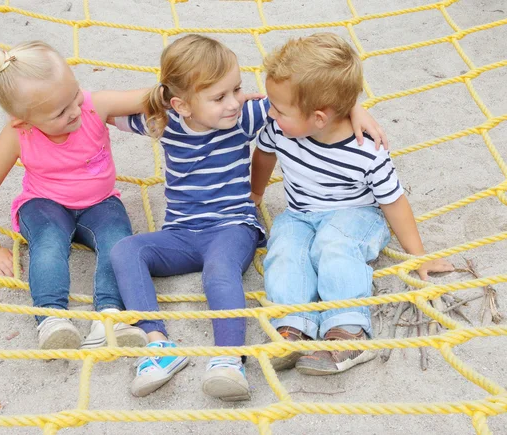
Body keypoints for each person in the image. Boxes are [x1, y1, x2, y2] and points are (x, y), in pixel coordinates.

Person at [109, 34, 388, 400]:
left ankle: (229, 359)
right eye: (219, 96)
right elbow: (100, 110)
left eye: (237, 89)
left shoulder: (243, 116)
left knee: (218, 271)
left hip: (232, 227)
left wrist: (354, 109)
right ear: (182, 105)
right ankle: (157, 346)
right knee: (125, 251)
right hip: (180, 233)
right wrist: (161, 95)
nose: (235, 101)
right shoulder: (164, 121)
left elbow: (310, 102)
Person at [250, 33, 454, 375]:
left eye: (279, 108)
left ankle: (348, 330)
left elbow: (394, 201)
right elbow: (264, 155)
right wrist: (256, 193)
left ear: (318, 117)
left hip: (357, 215)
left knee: (333, 246)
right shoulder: (280, 126)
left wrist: (419, 255)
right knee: (284, 249)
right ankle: (292, 325)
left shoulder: (366, 149)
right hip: (300, 214)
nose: (269, 112)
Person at [0, 41, 149, 350]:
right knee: (49, 242)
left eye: (75, 95)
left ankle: (109, 317)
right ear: (23, 120)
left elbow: (148, 97)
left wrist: (192, 92)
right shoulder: (19, 134)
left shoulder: (93, 106)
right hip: (44, 204)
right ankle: (52, 319)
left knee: (119, 241)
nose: (76, 110)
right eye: (61, 112)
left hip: (100, 202)